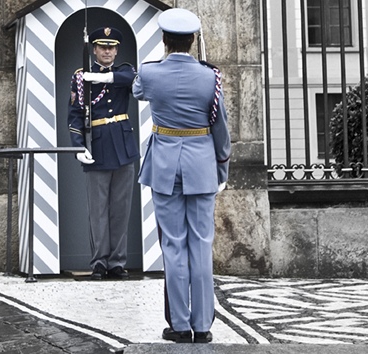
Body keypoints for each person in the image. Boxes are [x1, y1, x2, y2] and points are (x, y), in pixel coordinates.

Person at [132, 8, 231, 343]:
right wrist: (223, 165)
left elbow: (137, 91)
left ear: (164, 39)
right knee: (201, 246)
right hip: (201, 164)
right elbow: (220, 128)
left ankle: (179, 324)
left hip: (163, 166)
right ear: (192, 41)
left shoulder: (149, 73)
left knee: (173, 246)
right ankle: (202, 326)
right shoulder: (210, 76)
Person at [67, 27, 140, 280]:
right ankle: (99, 261)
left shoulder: (123, 72)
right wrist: (78, 146)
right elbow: (75, 114)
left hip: (122, 147)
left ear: (117, 50)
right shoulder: (81, 77)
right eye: (102, 46)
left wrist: (104, 79)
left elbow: (132, 79)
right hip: (96, 147)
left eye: (111, 47)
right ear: (95, 49)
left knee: (121, 209)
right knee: (97, 211)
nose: (107, 51)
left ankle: (117, 262)